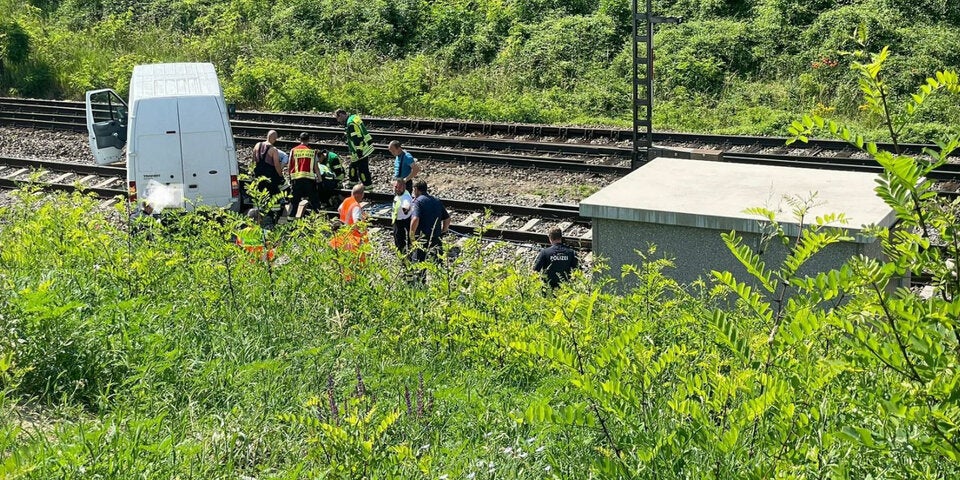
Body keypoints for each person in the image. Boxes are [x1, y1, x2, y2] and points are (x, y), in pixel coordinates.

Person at [409, 180, 450, 282]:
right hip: (436, 238)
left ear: (416, 189)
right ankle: (441, 286)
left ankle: (420, 287)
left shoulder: (418, 202)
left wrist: (411, 236)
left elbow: (415, 219)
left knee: (419, 264)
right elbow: (447, 219)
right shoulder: (436, 200)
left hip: (422, 239)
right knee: (438, 264)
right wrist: (443, 231)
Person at [335, 109, 375, 187]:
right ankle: (353, 182)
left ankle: (368, 186)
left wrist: (359, 151)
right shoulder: (354, 117)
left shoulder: (350, 124)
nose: (338, 120)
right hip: (364, 146)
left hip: (361, 149)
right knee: (353, 166)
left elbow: (357, 138)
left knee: (362, 169)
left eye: (337, 118)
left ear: (341, 115)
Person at [288, 132, 322, 217]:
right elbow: (316, 168)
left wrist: (290, 177)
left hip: (296, 180)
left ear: (300, 139)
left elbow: (289, 165)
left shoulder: (293, 150)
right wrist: (320, 179)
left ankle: (290, 222)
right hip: (309, 181)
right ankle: (318, 219)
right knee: (314, 201)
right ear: (308, 140)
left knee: (294, 202)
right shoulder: (312, 152)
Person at [252, 130, 285, 195]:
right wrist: (281, 176)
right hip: (269, 177)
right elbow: (277, 165)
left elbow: (253, 160)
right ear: (274, 139)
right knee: (271, 194)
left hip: (258, 175)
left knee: (259, 194)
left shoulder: (257, 145)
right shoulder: (273, 149)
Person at [392, 179, 414, 254]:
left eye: (400, 187)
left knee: (401, 241)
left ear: (404, 187)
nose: (397, 189)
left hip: (403, 222)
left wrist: (407, 208)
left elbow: (406, 205)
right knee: (398, 240)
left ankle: (405, 258)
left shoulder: (405, 197)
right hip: (397, 220)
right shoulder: (399, 194)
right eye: (396, 187)